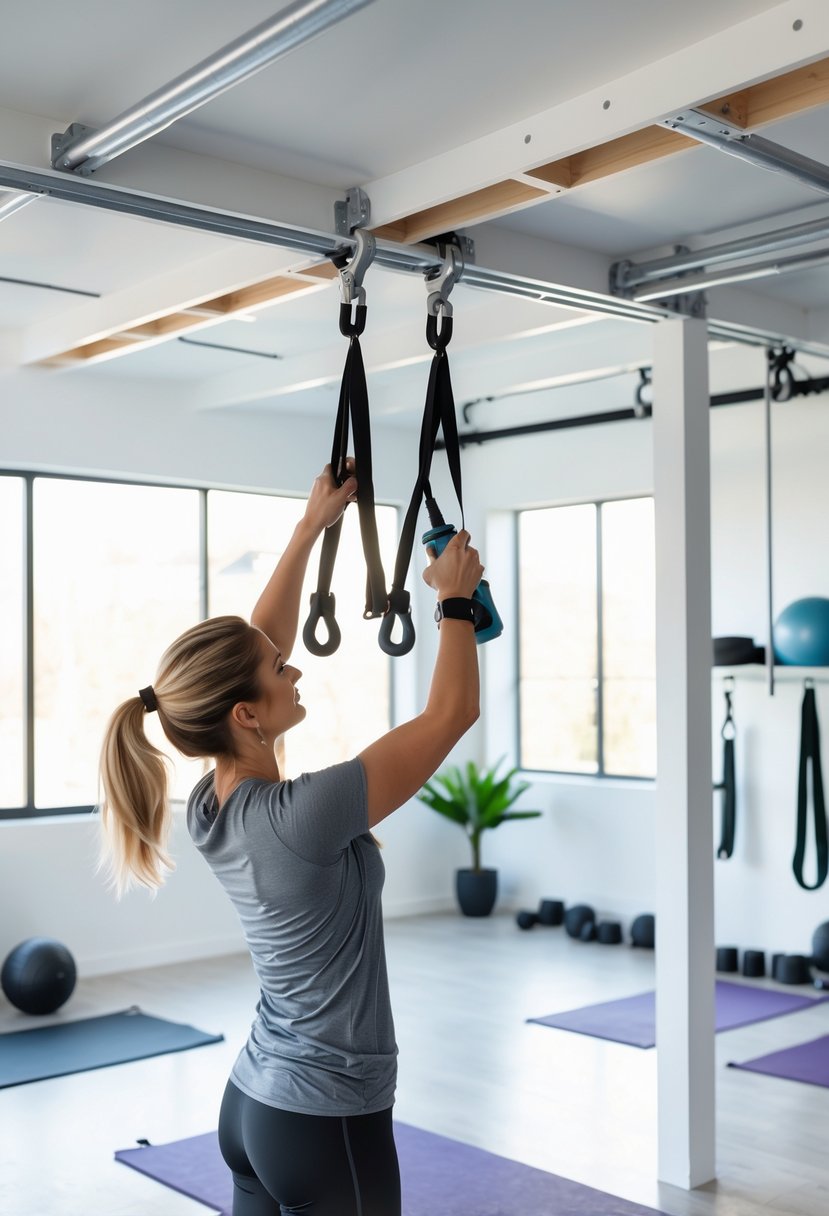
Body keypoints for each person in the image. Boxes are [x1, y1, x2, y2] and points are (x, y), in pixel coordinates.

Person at [98, 461, 483, 1216]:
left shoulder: (212, 805)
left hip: (253, 1107)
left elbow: (249, 649)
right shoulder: (305, 814)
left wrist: (313, 527)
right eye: (281, 669)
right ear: (245, 714)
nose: (294, 664)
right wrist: (456, 602)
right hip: (325, 1117)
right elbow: (449, 718)